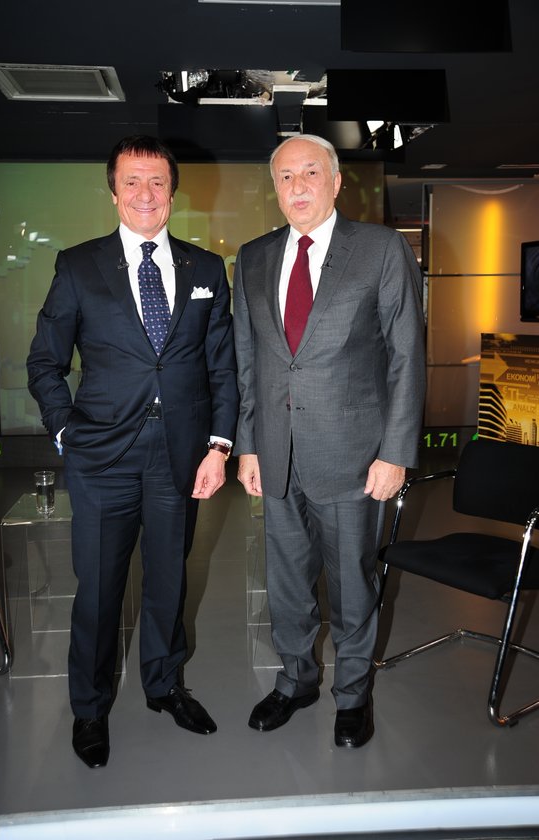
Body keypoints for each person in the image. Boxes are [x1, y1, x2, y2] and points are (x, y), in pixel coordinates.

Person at [27, 135, 239, 768]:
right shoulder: (78, 266)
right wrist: (66, 432)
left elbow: (222, 368)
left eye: (157, 182)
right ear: (113, 192)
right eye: (131, 182)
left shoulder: (206, 269)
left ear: (173, 191)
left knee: (169, 580)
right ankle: (90, 709)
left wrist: (219, 446)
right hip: (102, 458)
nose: (145, 194)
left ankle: (164, 684)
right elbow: (44, 363)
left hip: (181, 456)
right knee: (98, 590)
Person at [233, 134, 425, 748]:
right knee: (287, 584)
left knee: (351, 585)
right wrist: (248, 444)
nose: (298, 186)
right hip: (277, 453)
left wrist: (395, 453)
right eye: (285, 176)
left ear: (337, 182)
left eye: (310, 172)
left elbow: (406, 356)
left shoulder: (380, 249)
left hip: (355, 457)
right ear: (275, 188)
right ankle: (296, 681)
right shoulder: (254, 257)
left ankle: (353, 694)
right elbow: (248, 361)